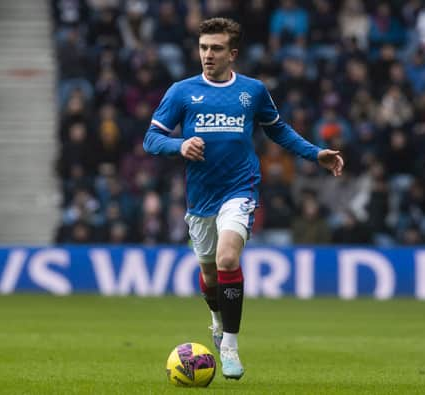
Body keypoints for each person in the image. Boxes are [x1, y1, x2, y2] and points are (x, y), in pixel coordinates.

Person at [142, 17, 344, 380]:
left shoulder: (252, 91)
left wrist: (316, 154)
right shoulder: (182, 92)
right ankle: (217, 321)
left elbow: (278, 130)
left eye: (216, 48)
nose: (208, 55)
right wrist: (179, 144)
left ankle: (231, 347)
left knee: (227, 257)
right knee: (208, 271)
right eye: (203, 47)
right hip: (201, 196)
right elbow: (151, 139)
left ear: (232, 54)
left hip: (240, 188)